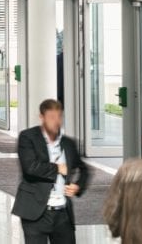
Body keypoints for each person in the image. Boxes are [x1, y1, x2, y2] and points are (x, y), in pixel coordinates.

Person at [12, 99, 90, 243]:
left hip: (63, 214)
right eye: (51, 117)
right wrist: (57, 168)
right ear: (42, 117)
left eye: (59, 116)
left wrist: (78, 186)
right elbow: (30, 167)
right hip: (35, 212)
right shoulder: (28, 137)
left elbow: (84, 169)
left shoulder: (68, 143)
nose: (56, 121)